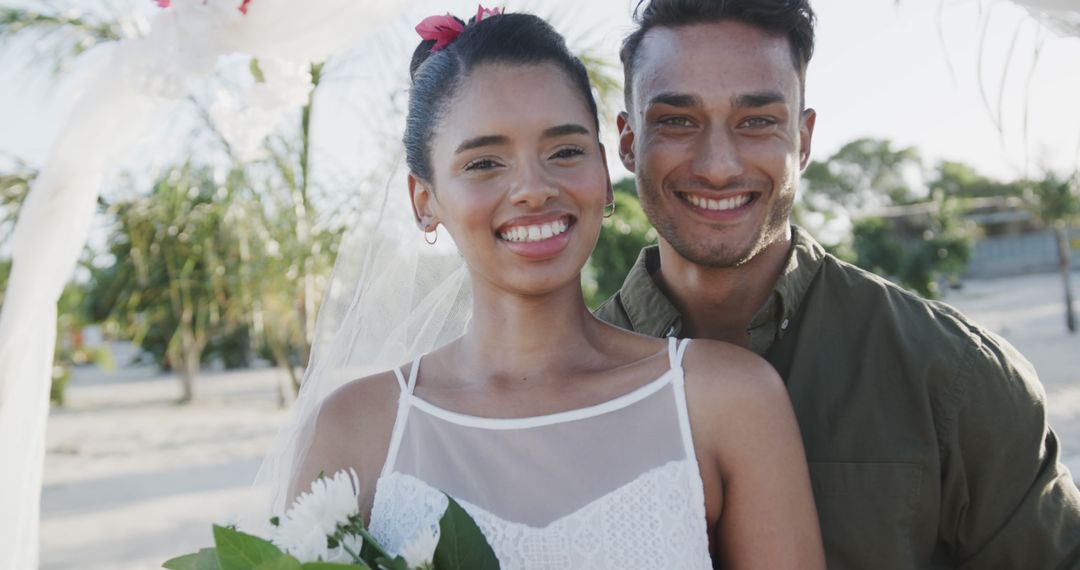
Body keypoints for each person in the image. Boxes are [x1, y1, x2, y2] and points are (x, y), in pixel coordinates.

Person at [287, 8, 825, 569]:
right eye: (484, 162)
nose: (533, 189)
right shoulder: (356, 428)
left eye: (565, 151)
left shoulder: (727, 398)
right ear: (425, 201)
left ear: (604, 165)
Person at [595, 0, 1080, 567]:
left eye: (758, 121)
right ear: (628, 142)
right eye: (678, 120)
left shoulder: (954, 377)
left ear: (802, 139)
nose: (719, 166)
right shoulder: (551, 386)